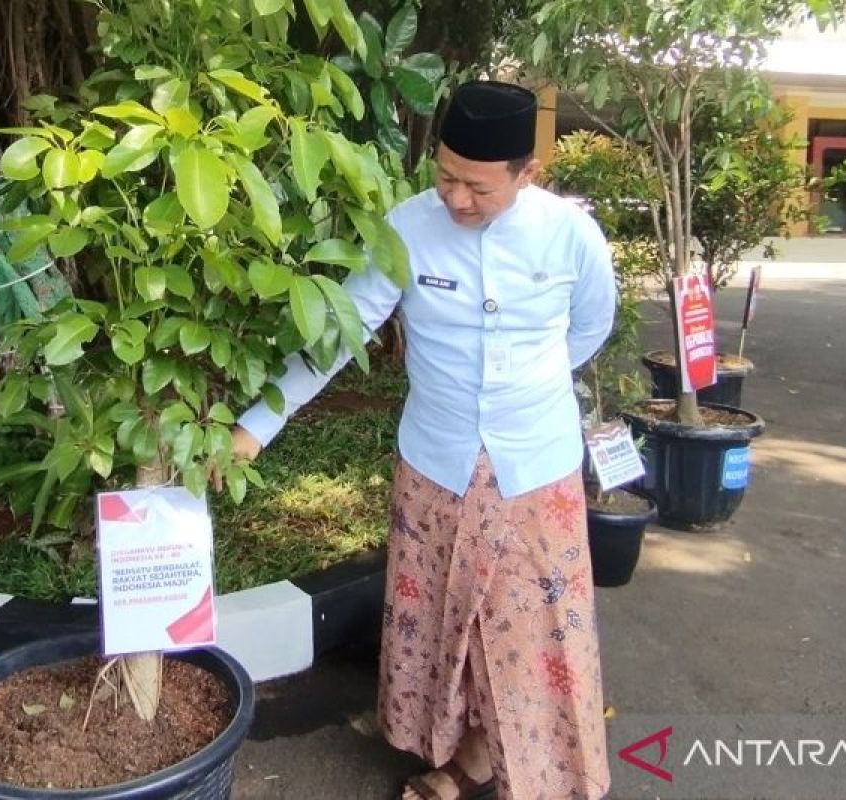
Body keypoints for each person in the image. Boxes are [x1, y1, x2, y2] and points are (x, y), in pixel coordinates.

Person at [232, 80, 616, 800]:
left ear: (526, 174)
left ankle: (530, 773)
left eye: (478, 186)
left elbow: (592, 324)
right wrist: (259, 424)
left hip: (537, 471)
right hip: (436, 465)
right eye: (444, 176)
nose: (456, 198)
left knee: (531, 634)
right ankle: (466, 756)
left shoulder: (571, 235)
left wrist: (525, 391)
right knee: (448, 626)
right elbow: (341, 335)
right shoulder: (406, 228)